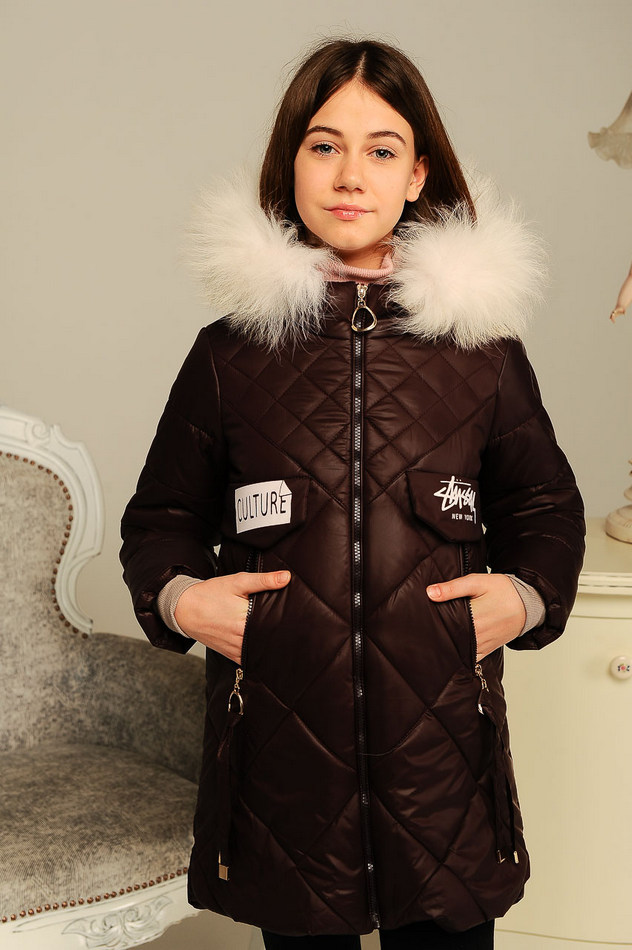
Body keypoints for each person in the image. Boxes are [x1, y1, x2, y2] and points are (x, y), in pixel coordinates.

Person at [120, 38, 585, 950]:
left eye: (381, 149)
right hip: (284, 766)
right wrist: (182, 601)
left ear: (417, 176)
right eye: (324, 145)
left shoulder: (482, 352)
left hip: (442, 762)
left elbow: (546, 510)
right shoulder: (230, 354)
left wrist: (523, 599)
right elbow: (161, 519)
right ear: (289, 163)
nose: (349, 175)